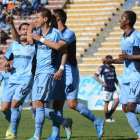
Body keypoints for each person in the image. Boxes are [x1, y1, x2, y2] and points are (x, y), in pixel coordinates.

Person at [30, 8, 104, 140]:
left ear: (57, 18)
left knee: (71, 103)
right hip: (56, 71)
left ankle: (97, 121)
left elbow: (60, 47)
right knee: (57, 104)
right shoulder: (51, 32)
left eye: (52, 16)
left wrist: (40, 39)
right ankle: (56, 134)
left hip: (69, 71)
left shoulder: (68, 33)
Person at [103, 10, 140, 140]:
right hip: (126, 77)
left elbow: (130, 56)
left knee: (130, 107)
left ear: (128, 21)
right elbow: (125, 59)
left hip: (136, 75)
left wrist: (129, 56)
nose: (119, 21)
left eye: (122, 18)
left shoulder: (137, 36)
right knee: (125, 107)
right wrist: (112, 61)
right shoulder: (123, 37)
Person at [1, 22, 36, 139]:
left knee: (15, 104)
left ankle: (13, 133)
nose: (25, 31)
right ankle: (13, 122)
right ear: (19, 32)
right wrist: (5, 62)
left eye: (27, 29)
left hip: (26, 79)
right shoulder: (14, 45)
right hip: (13, 78)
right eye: (23, 29)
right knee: (4, 108)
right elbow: (6, 58)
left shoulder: (34, 45)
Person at [94, 55, 120, 122]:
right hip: (106, 89)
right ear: (106, 60)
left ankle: (109, 115)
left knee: (117, 101)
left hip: (113, 88)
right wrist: (102, 83)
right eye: (109, 60)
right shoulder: (102, 67)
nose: (110, 61)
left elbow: (115, 78)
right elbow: (95, 76)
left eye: (111, 60)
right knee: (106, 103)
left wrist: (119, 86)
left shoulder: (113, 67)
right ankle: (108, 117)